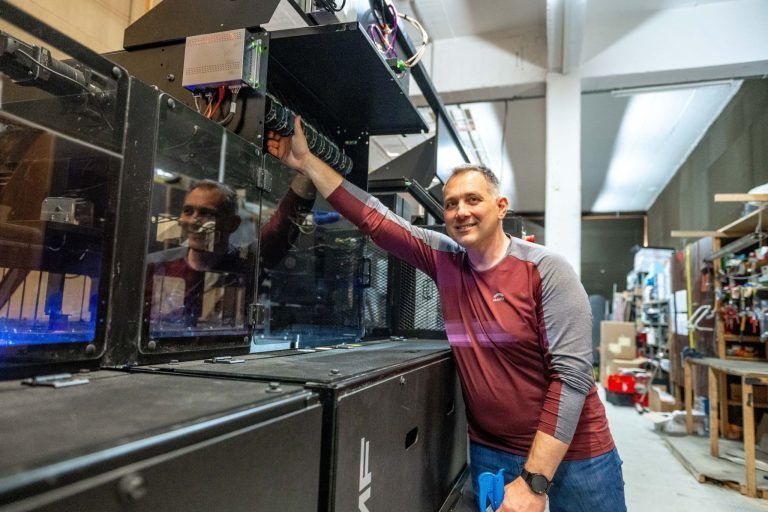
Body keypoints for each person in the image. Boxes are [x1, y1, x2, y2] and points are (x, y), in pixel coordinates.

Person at [266, 118, 626, 512]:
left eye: (473, 200)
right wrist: (306, 162)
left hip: (576, 458)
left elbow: (572, 378)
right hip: (493, 454)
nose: (460, 211)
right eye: (451, 203)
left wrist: (535, 481)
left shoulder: (546, 270)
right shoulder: (446, 262)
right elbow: (376, 219)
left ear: (501, 207)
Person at [145, 174, 315, 331]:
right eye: (188, 211)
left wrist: (308, 163)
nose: (194, 221)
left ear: (232, 224)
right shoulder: (155, 265)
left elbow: (282, 225)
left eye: (206, 213)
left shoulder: (245, 263)